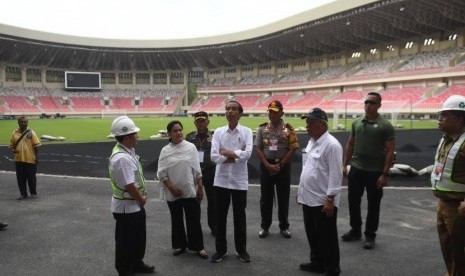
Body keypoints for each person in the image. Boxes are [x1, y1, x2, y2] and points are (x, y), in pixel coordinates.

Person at [341, 92, 395, 249]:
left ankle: (370, 235)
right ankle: (355, 230)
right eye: (366, 102)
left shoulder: (385, 125)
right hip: (356, 169)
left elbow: (390, 151)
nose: (368, 104)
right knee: (353, 201)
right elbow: (350, 144)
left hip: (375, 171)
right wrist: (345, 164)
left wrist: (385, 174)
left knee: (373, 204)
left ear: (379, 105)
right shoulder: (357, 123)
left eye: (372, 102)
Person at [298, 108, 342, 276]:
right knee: (313, 235)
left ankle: (332, 268)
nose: (307, 125)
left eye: (311, 122)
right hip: (308, 197)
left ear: (322, 124)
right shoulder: (312, 141)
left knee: (327, 237)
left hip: (323, 200)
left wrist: (330, 199)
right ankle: (317, 262)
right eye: (307, 122)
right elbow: (308, 168)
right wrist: (301, 192)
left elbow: (335, 175)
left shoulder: (331, 145)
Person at [108, 116, 155, 276]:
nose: (137, 136)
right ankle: (124, 269)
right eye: (135, 133)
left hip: (133, 205)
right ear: (127, 137)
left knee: (138, 238)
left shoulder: (127, 152)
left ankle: (136, 263)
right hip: (127, 207)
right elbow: (129, 185)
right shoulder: (122, 158)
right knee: (125, 241)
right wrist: (141, 199)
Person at [210, 100, 253, 263]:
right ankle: (221, 250)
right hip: (221, 181)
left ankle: (241, 250)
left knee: (239, 218)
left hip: (239, 181)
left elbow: (248, 154)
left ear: (240, 113)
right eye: (227, 109)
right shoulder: (219, 132)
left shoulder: (247, 131)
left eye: (233, 109)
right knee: (220, 218)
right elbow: (214, 156)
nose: (230, 111)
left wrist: (226, 153)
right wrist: (237, 155)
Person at [157, 120, 208, 259]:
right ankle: (180, 245)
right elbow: (161, 173)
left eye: (180, 130)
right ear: (169, 134)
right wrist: (172, 188)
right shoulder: (165, 151)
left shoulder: (190, 147)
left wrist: (200, 187)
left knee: (194, 219)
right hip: (172, 191)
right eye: (175, 131)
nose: (179, 133)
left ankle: (198, 246)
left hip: (189, 190)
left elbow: (197, 170)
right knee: (176, 219)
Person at [254, 100, 299, 239]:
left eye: (275, 111)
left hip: (283, 167)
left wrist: (281, 165)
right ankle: (264, 227)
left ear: (282, 113)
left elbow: (293, 149)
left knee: (283, 198)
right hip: (266, 166)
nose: (272, 114)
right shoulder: (262, 129)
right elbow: (258, 148)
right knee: (265, 198)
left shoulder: (289, 129)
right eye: (270, 111)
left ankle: (284, 227)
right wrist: (267, 165)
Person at [431, 95, 465, 276]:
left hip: (459, 207)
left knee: (460, 251)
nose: (440, 119)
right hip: (443, 203)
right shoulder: (446, 139)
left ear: (459, 119)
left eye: (445, 115)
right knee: (448, 247)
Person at [186, 111, 217, 236]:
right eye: (198, 121)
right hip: (194, 172)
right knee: (193, 200)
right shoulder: (189, 137)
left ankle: (214, 226)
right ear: (194, 123)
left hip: (210, 171)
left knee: (213, 201)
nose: (200, 123)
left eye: (203, 120)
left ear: (208, 122)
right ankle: (194, 226)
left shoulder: (215, 136)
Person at [9, 116, 41, 200]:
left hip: (30, 159)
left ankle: (33, 193)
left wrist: (36, 158)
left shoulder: (31, 133)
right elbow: (11, 145)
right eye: (21, 122)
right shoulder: (14, 133)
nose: (23, 123)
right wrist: (13, 150)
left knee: (31, 178)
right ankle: (23, 194)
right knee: (20, 178)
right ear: (18, 122)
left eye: (25, 122)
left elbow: (37, 146)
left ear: (27, 123)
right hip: (18, 159)